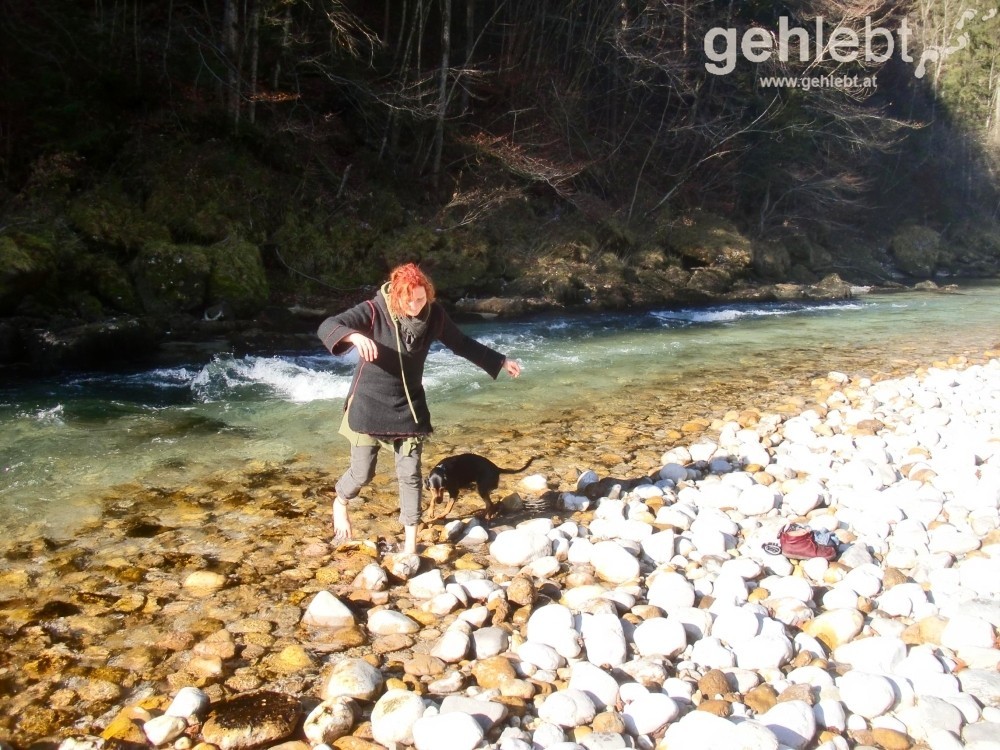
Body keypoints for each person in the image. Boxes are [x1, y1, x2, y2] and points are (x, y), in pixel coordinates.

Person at [317, 263, 522, 553]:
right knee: (363, 474)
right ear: (396, 296)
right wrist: (354, 336)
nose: (415, 306)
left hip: (408, 407)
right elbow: (327, 326)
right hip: (368, 404)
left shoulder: (435, 315)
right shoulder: (374, 310)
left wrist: (499, 361)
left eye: (421, 299)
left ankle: (410, 547)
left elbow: (461, 343)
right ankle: (340, 501)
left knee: (410, 475)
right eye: (408, 300)